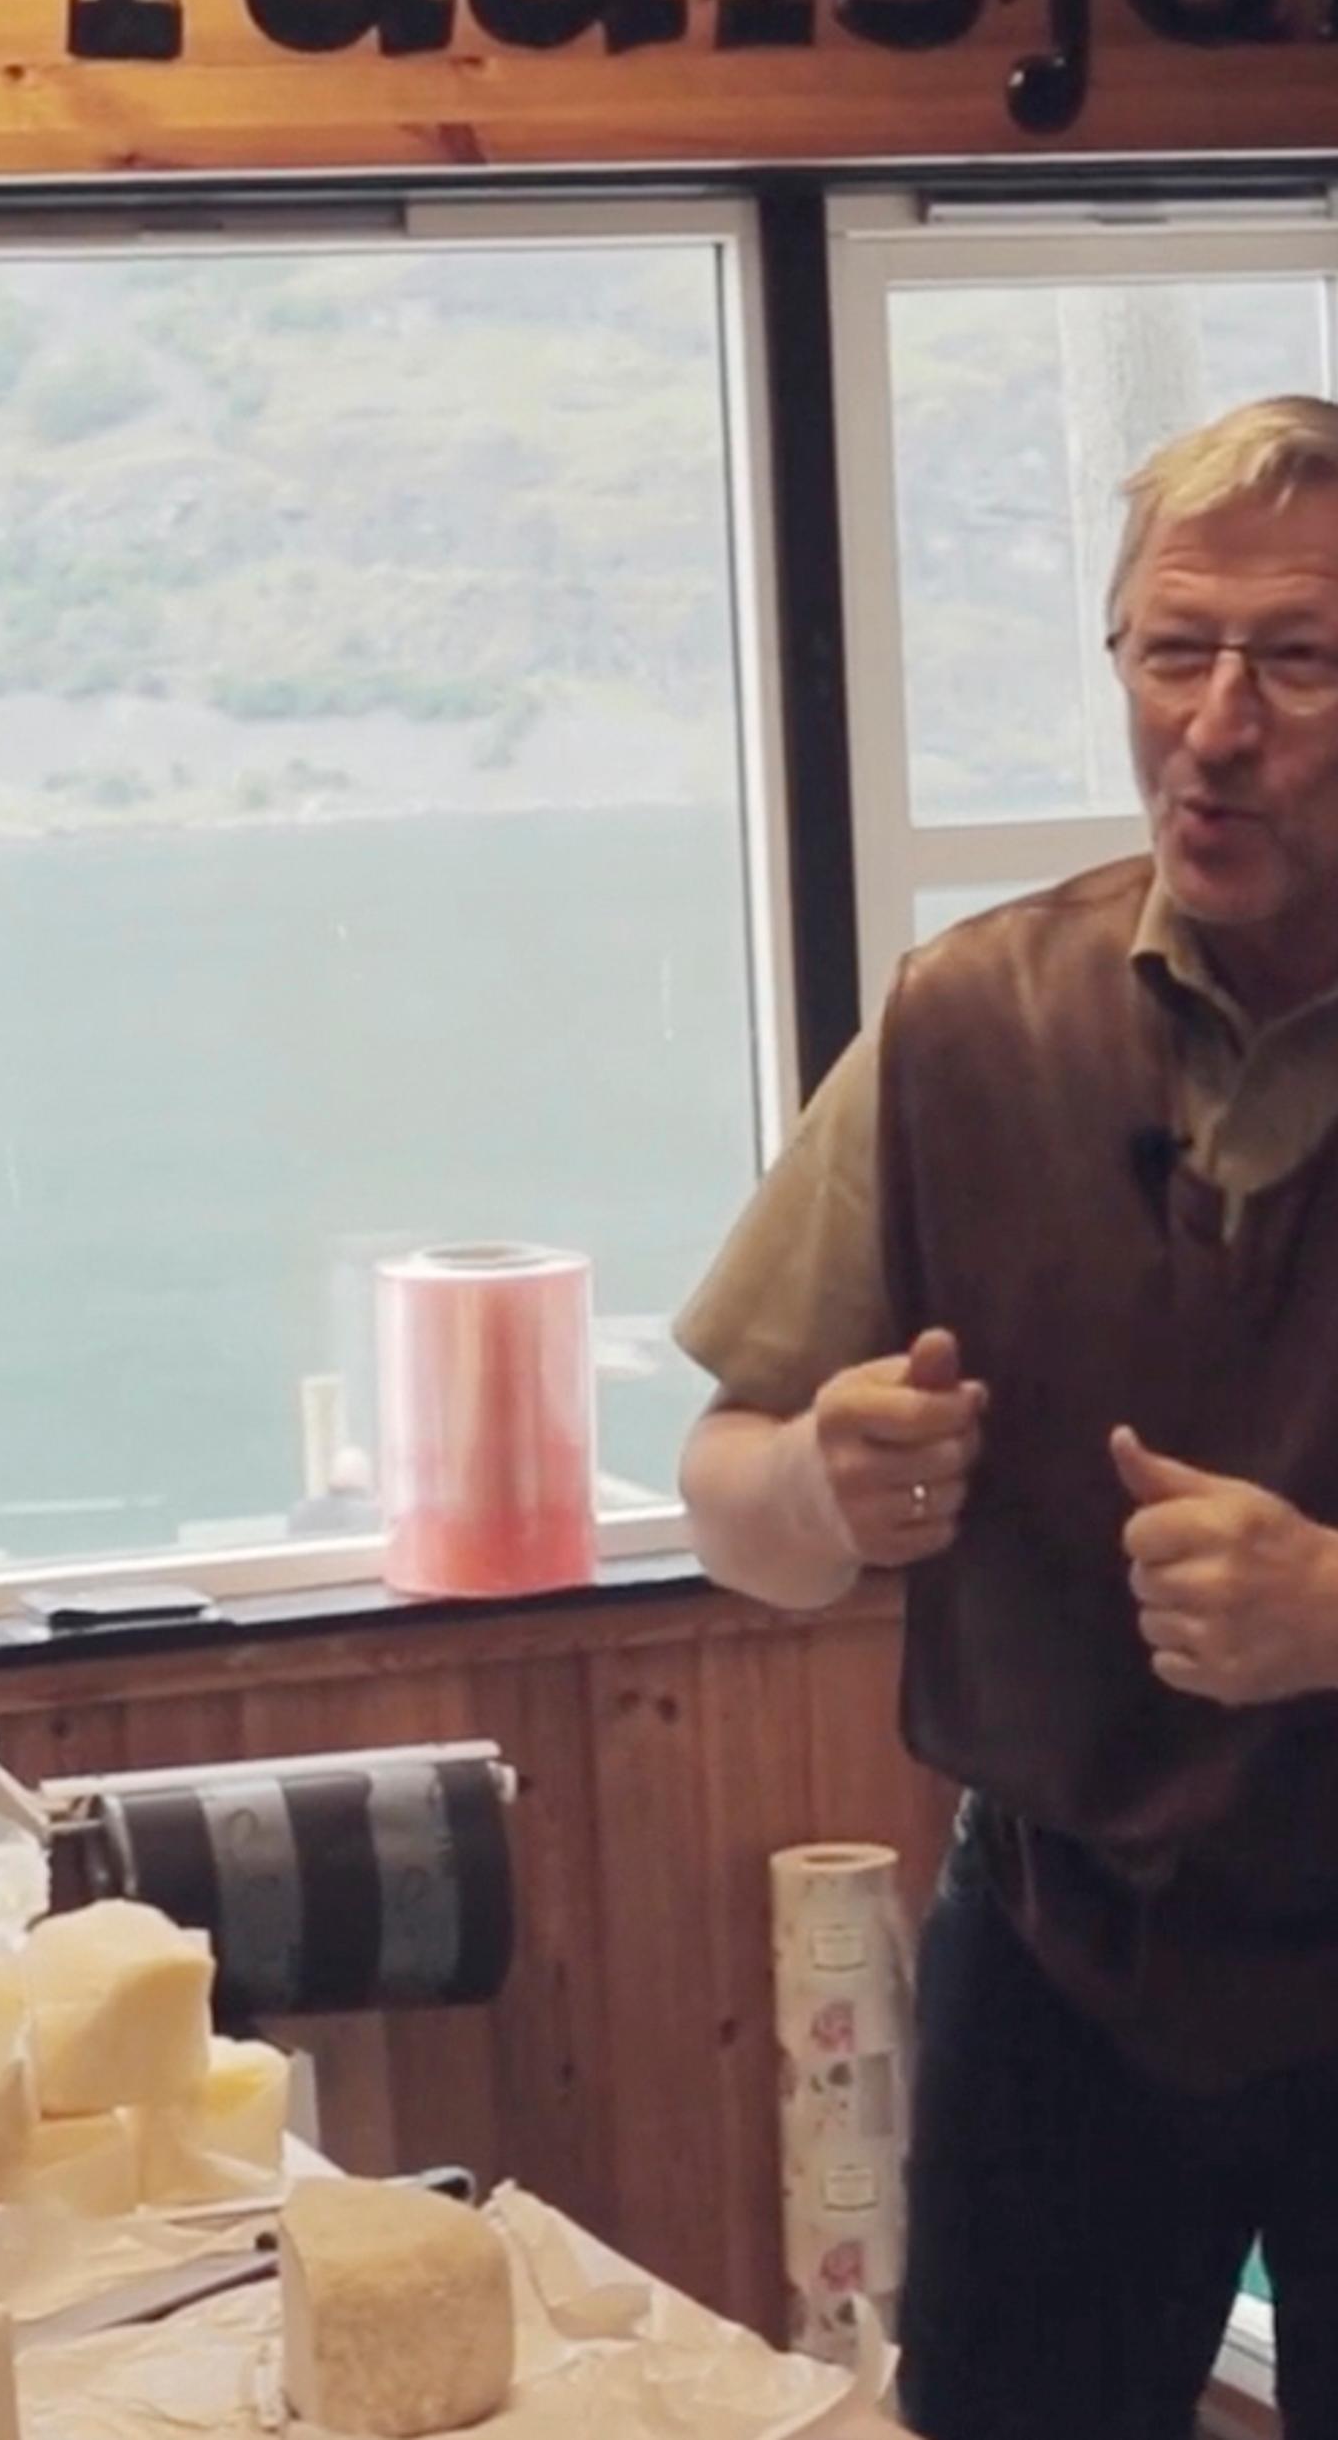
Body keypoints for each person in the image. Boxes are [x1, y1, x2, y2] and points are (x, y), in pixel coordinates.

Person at [675, 395, 1338, 2440]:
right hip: (1062, 1956)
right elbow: (725, 1497)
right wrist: (822, 1484)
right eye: (1171, 650)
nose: (1213, 727)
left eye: (1296, 661)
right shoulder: (965, 1020)